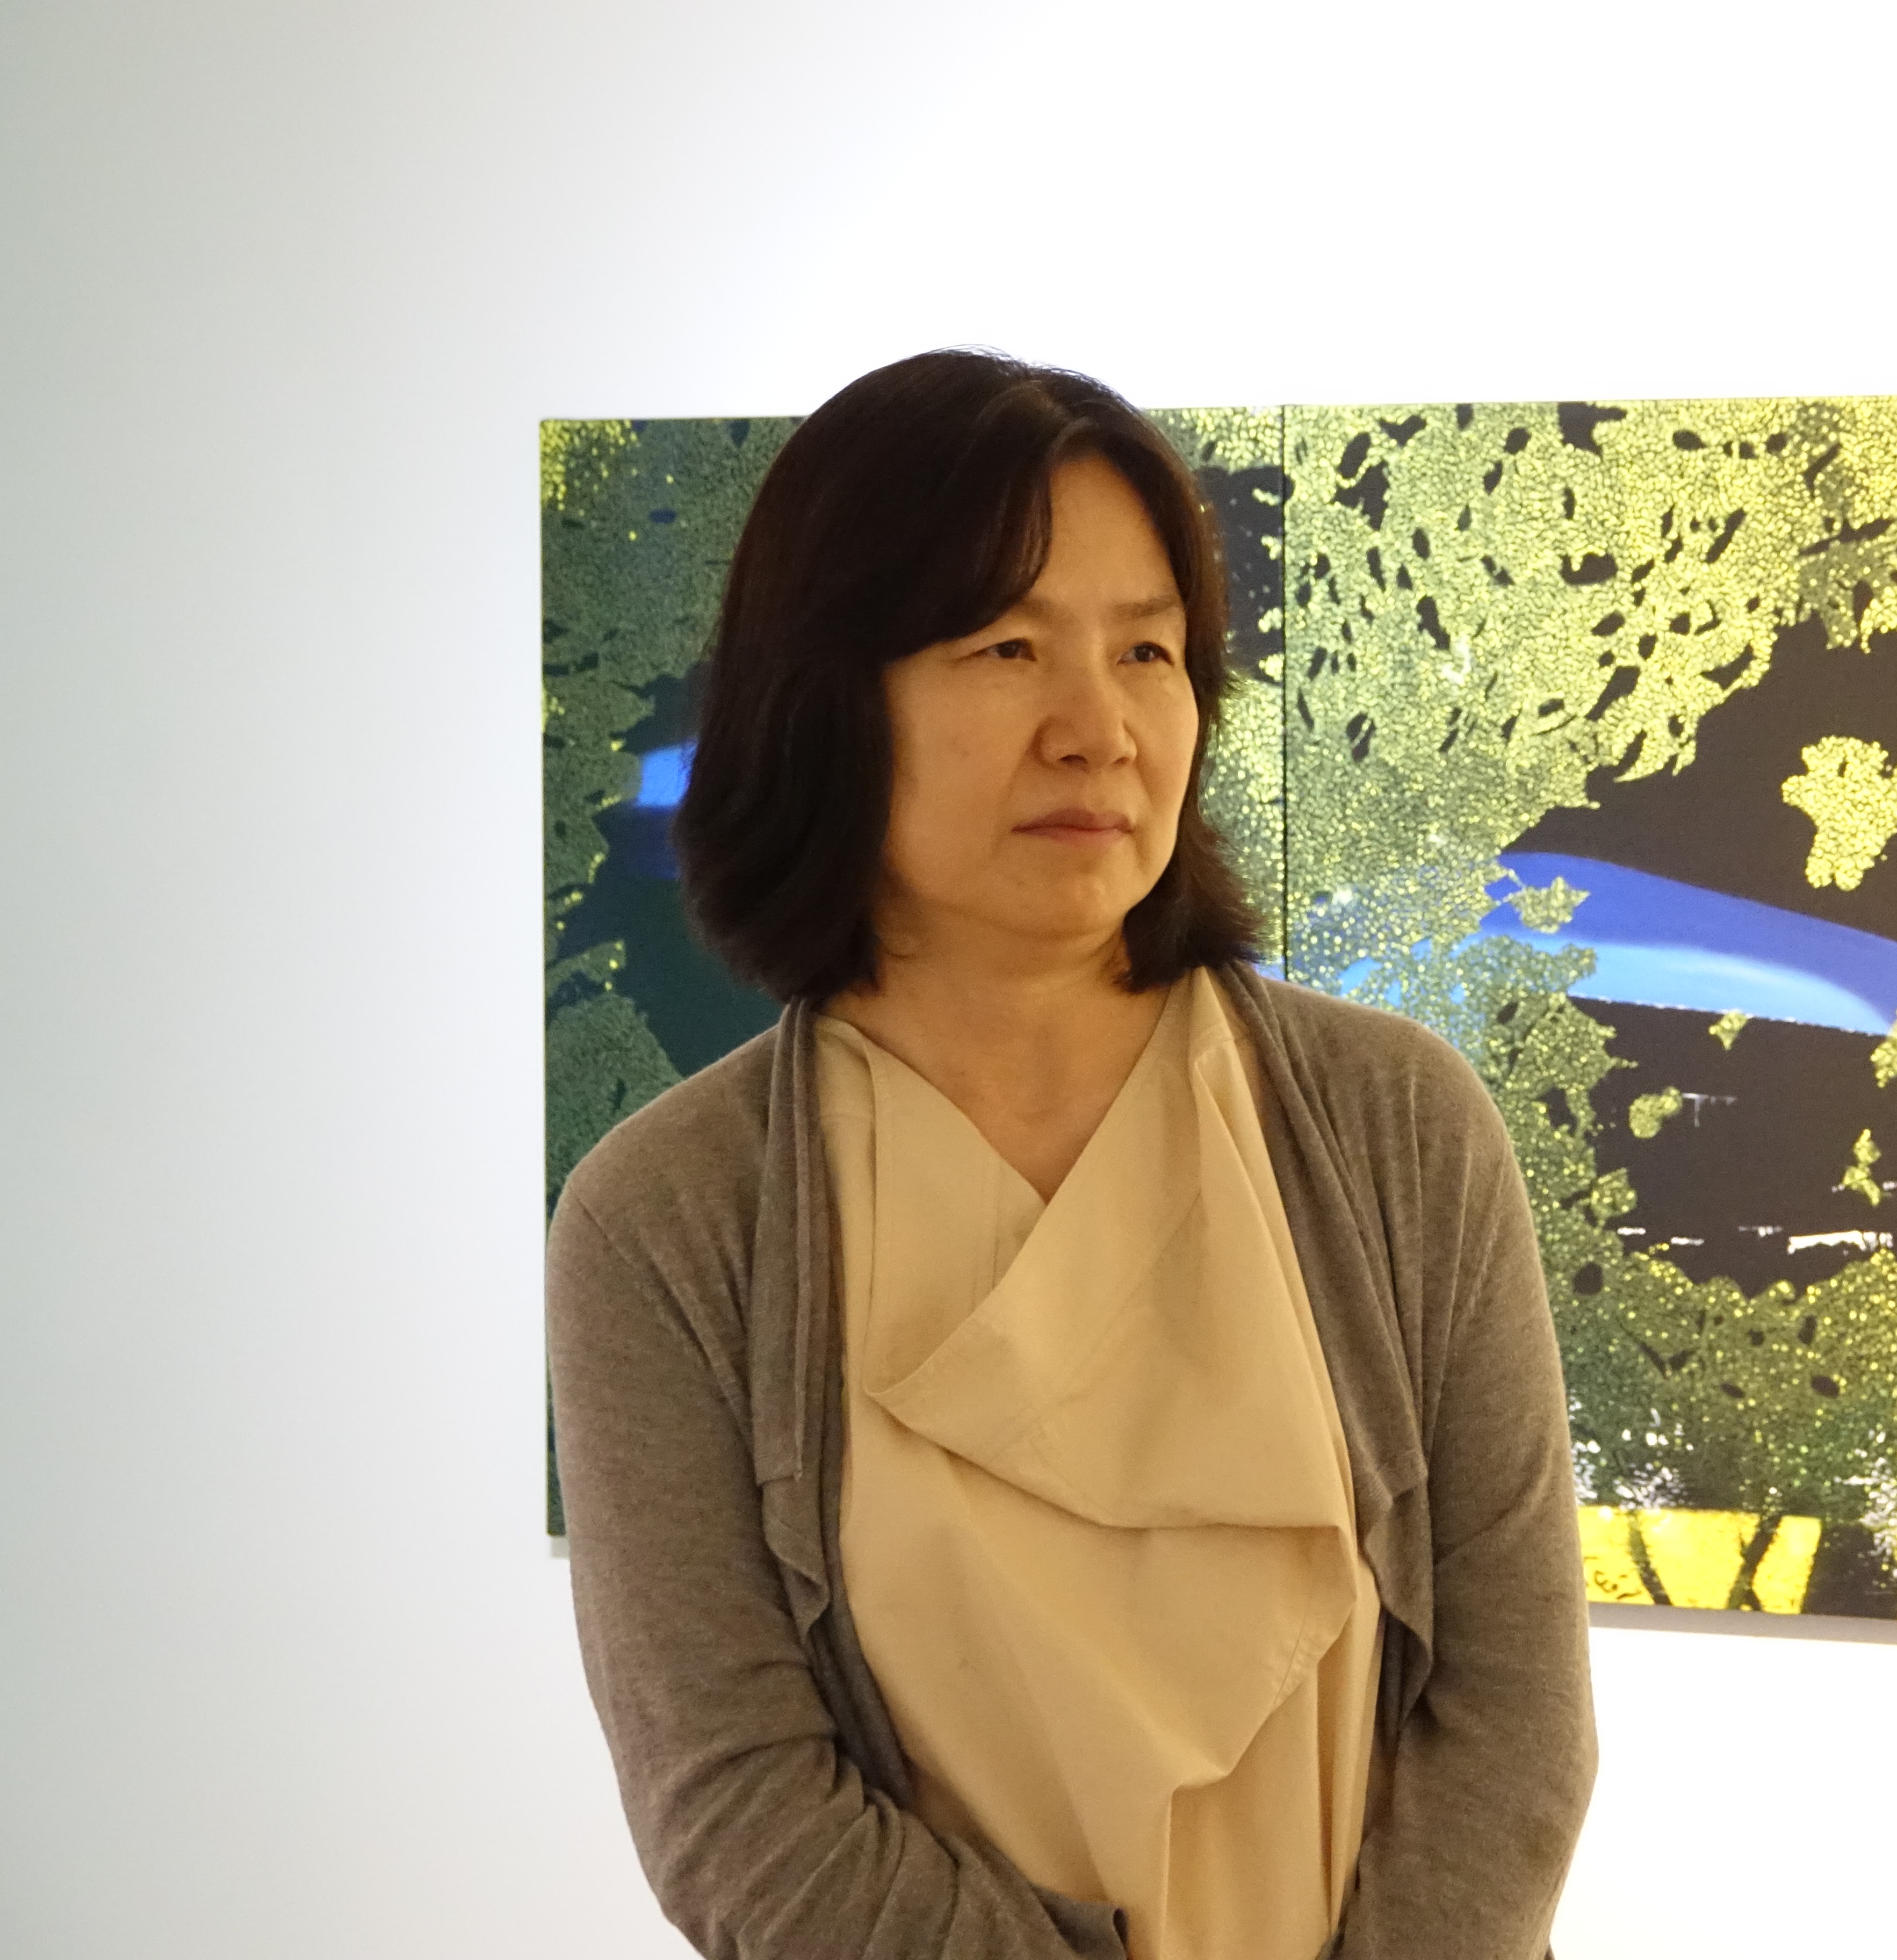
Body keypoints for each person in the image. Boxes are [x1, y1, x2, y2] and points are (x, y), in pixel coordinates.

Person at [545, 349, 1595, 1960]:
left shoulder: (1395, 1124)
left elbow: (1519, 1732)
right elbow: (739, 1813)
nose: (1098, 728)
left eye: (1148, 651)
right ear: (826, 700)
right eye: (1007, 648)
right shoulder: (672, 1220)